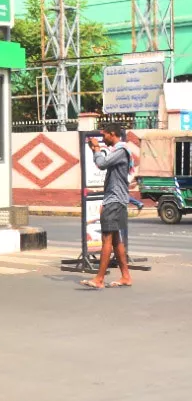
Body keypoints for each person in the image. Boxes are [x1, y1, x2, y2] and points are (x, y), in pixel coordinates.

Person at [84, 124, 133, 289]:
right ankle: (126, 276)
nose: (102, 138)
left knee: (106, 238)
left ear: (112, 134)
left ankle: (99, 279)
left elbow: (102, 164)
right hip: (116, 200)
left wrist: (96, 149)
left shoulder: (120, 151)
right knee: (116, 239)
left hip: (114, 200)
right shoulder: (119, 151)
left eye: (104, 135)